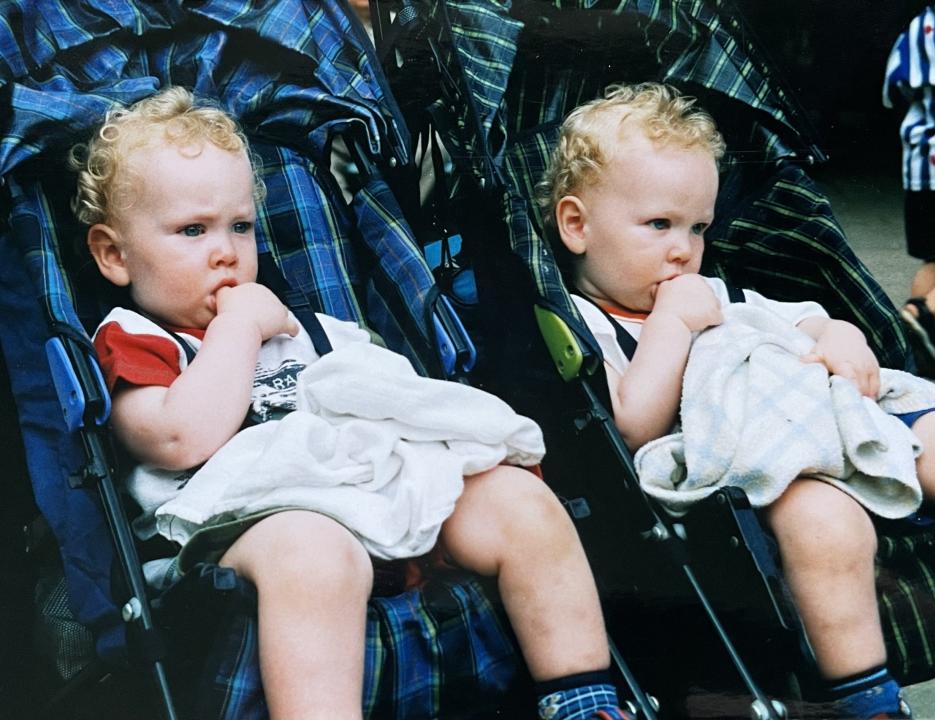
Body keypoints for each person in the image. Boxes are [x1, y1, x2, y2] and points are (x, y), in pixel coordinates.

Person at [72, 86, 634, 720]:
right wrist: (239, 329)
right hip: (243, 529)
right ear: (114, 255)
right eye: (193, 230)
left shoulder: (306, 330)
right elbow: (177, 438)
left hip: (374, 493)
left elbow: (393, 399)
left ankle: (583, 698)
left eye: (241, 226)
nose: (226, 251)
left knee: (519, 500)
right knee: (315, 550)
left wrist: (450, 446)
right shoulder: (138, 342)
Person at [538, 82, 935, 720]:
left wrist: (843, 339)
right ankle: (871, 700)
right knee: (824, 521)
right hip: (772, 461)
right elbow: (631, 426)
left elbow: (803, 321)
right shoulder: (592, 323)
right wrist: (671, 328)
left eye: (698, 227)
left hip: (831, 414)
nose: (684, 248)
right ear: (576, 225)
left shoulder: (713, 293)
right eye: (659, 225)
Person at [883, 0, 935, 379]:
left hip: (921, 160)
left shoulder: (921, 24)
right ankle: (916, 315)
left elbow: (892, 88)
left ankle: (921, 339)